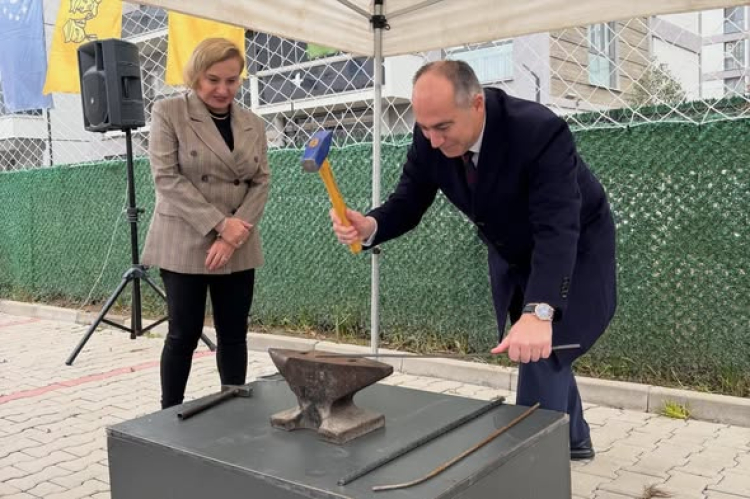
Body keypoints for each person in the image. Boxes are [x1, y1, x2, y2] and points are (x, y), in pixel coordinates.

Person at [330, 60, 616, 460]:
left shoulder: (538, 131)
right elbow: (409, 200)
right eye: (424, 128)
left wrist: (540, 309)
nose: (432, 140)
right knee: (538, 347)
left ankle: (530, 469)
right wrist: (371, 225)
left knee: (540, 348)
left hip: (576, 247)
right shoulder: (430, 136)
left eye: (442, 127)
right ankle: (574, 439)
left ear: (477, 104)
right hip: (512, 249)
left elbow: (557, 227)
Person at [142, 38, 271, 409]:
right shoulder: (169, 111)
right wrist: (219, 225)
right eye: (213, 80)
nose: (223, 89)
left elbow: (261, 181)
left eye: (232, 80)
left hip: (238, 240)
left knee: (234, 333)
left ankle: (232, 409)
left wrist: (232, 234)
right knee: (183, 333)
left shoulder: (253, 124)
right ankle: (169, 414)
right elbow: (166, 178)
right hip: (184, 238)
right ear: (196, 75)